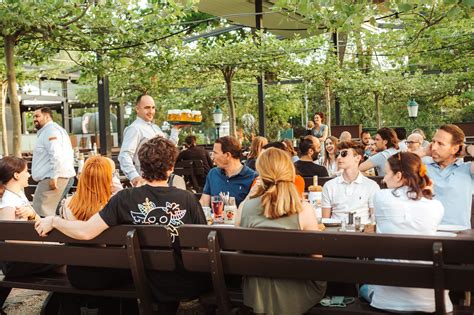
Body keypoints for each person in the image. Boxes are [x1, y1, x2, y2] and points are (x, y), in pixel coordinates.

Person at [35, 136, 211, 313]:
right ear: (171, 168)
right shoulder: (187, 198)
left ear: (141, 167)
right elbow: (204, 248)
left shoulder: (124, 198)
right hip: (182, 283)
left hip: (139, 279)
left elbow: (86, 232)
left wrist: (54, 220)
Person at [235, 148, 326, 314]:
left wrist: (252, 194)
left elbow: (239, 252)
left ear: (260, 174)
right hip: (296, 292)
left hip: (256, 291)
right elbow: (317, 259)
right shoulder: (303, 209)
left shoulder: (244, 208)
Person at [361, 152, 453, 313]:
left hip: (387, 302)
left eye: (387, 172)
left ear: (398, 176)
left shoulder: (381, 197)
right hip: (432, 302)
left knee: (364, 287)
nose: (383, 178)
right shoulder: (436, 206)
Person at [0, 156, 58, 278]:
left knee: (66, 258)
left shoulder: (18, 194)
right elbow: (11, 242)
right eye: (26, 171)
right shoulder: (7, 204)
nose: (29, 175)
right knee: (66, 258)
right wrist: (43, 243)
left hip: (27, 255)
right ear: (16, 175)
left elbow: (38, 220)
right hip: (16, 262)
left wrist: (31, 214)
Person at [118, 94, 181, 187]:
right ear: (137, 109)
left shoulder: (155, 128)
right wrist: (134, 177)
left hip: (162, 181)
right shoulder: (134, 128)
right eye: (147, 108)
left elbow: (167, 151)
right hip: (146, 182)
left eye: (153, 108)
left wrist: (175, 129)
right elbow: (124, 155)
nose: (151, 111)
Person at [419, 124, 473, 229]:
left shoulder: (468, 169)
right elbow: (393, 167)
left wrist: (467, 149)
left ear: (455, 149)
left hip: (460, 236)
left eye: (440, 144)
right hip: (427, 233)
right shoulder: (423, 166)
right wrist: (423, 152)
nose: (434, 147)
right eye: (433, 142)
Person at [31, 107, 75, 217]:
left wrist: (54, 176)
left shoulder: (50, 131)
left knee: (40, 215)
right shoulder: (54, 130)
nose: (34, 119)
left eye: (37, 116)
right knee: (53, 215)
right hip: (58, 177)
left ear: (47, 116)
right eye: (33, 116)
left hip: (53, 179)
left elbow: (56, 154)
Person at [321, 141, 379, 224]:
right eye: (338, 154)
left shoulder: (371, 186)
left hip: (363, 233)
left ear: (358, 158)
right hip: (336, 233)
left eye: (344, 154)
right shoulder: (329, 186)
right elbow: (325, 221)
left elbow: (375, 219)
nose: (339, 157)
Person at [200, 136, 257, 207]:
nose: (212, 157)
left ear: (227, 155)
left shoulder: (253, 178)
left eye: (215, 153)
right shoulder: (213, 173)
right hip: (214, 217)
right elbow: (204, 203)